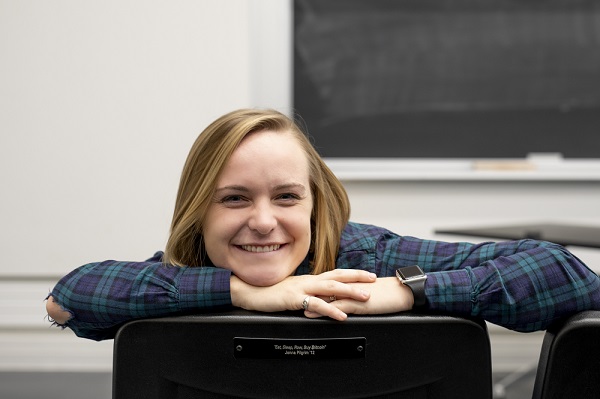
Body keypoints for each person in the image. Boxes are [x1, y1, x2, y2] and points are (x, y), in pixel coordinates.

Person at [46, 108, 600, 341]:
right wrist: (243, 293)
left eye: (286, 197)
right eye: (234, 198)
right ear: (200, 210)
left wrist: (407, 293)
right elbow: (67, 299)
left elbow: (569, 276)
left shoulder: (367, 259)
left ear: (315, 202)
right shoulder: (185, 268)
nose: (263, 222)